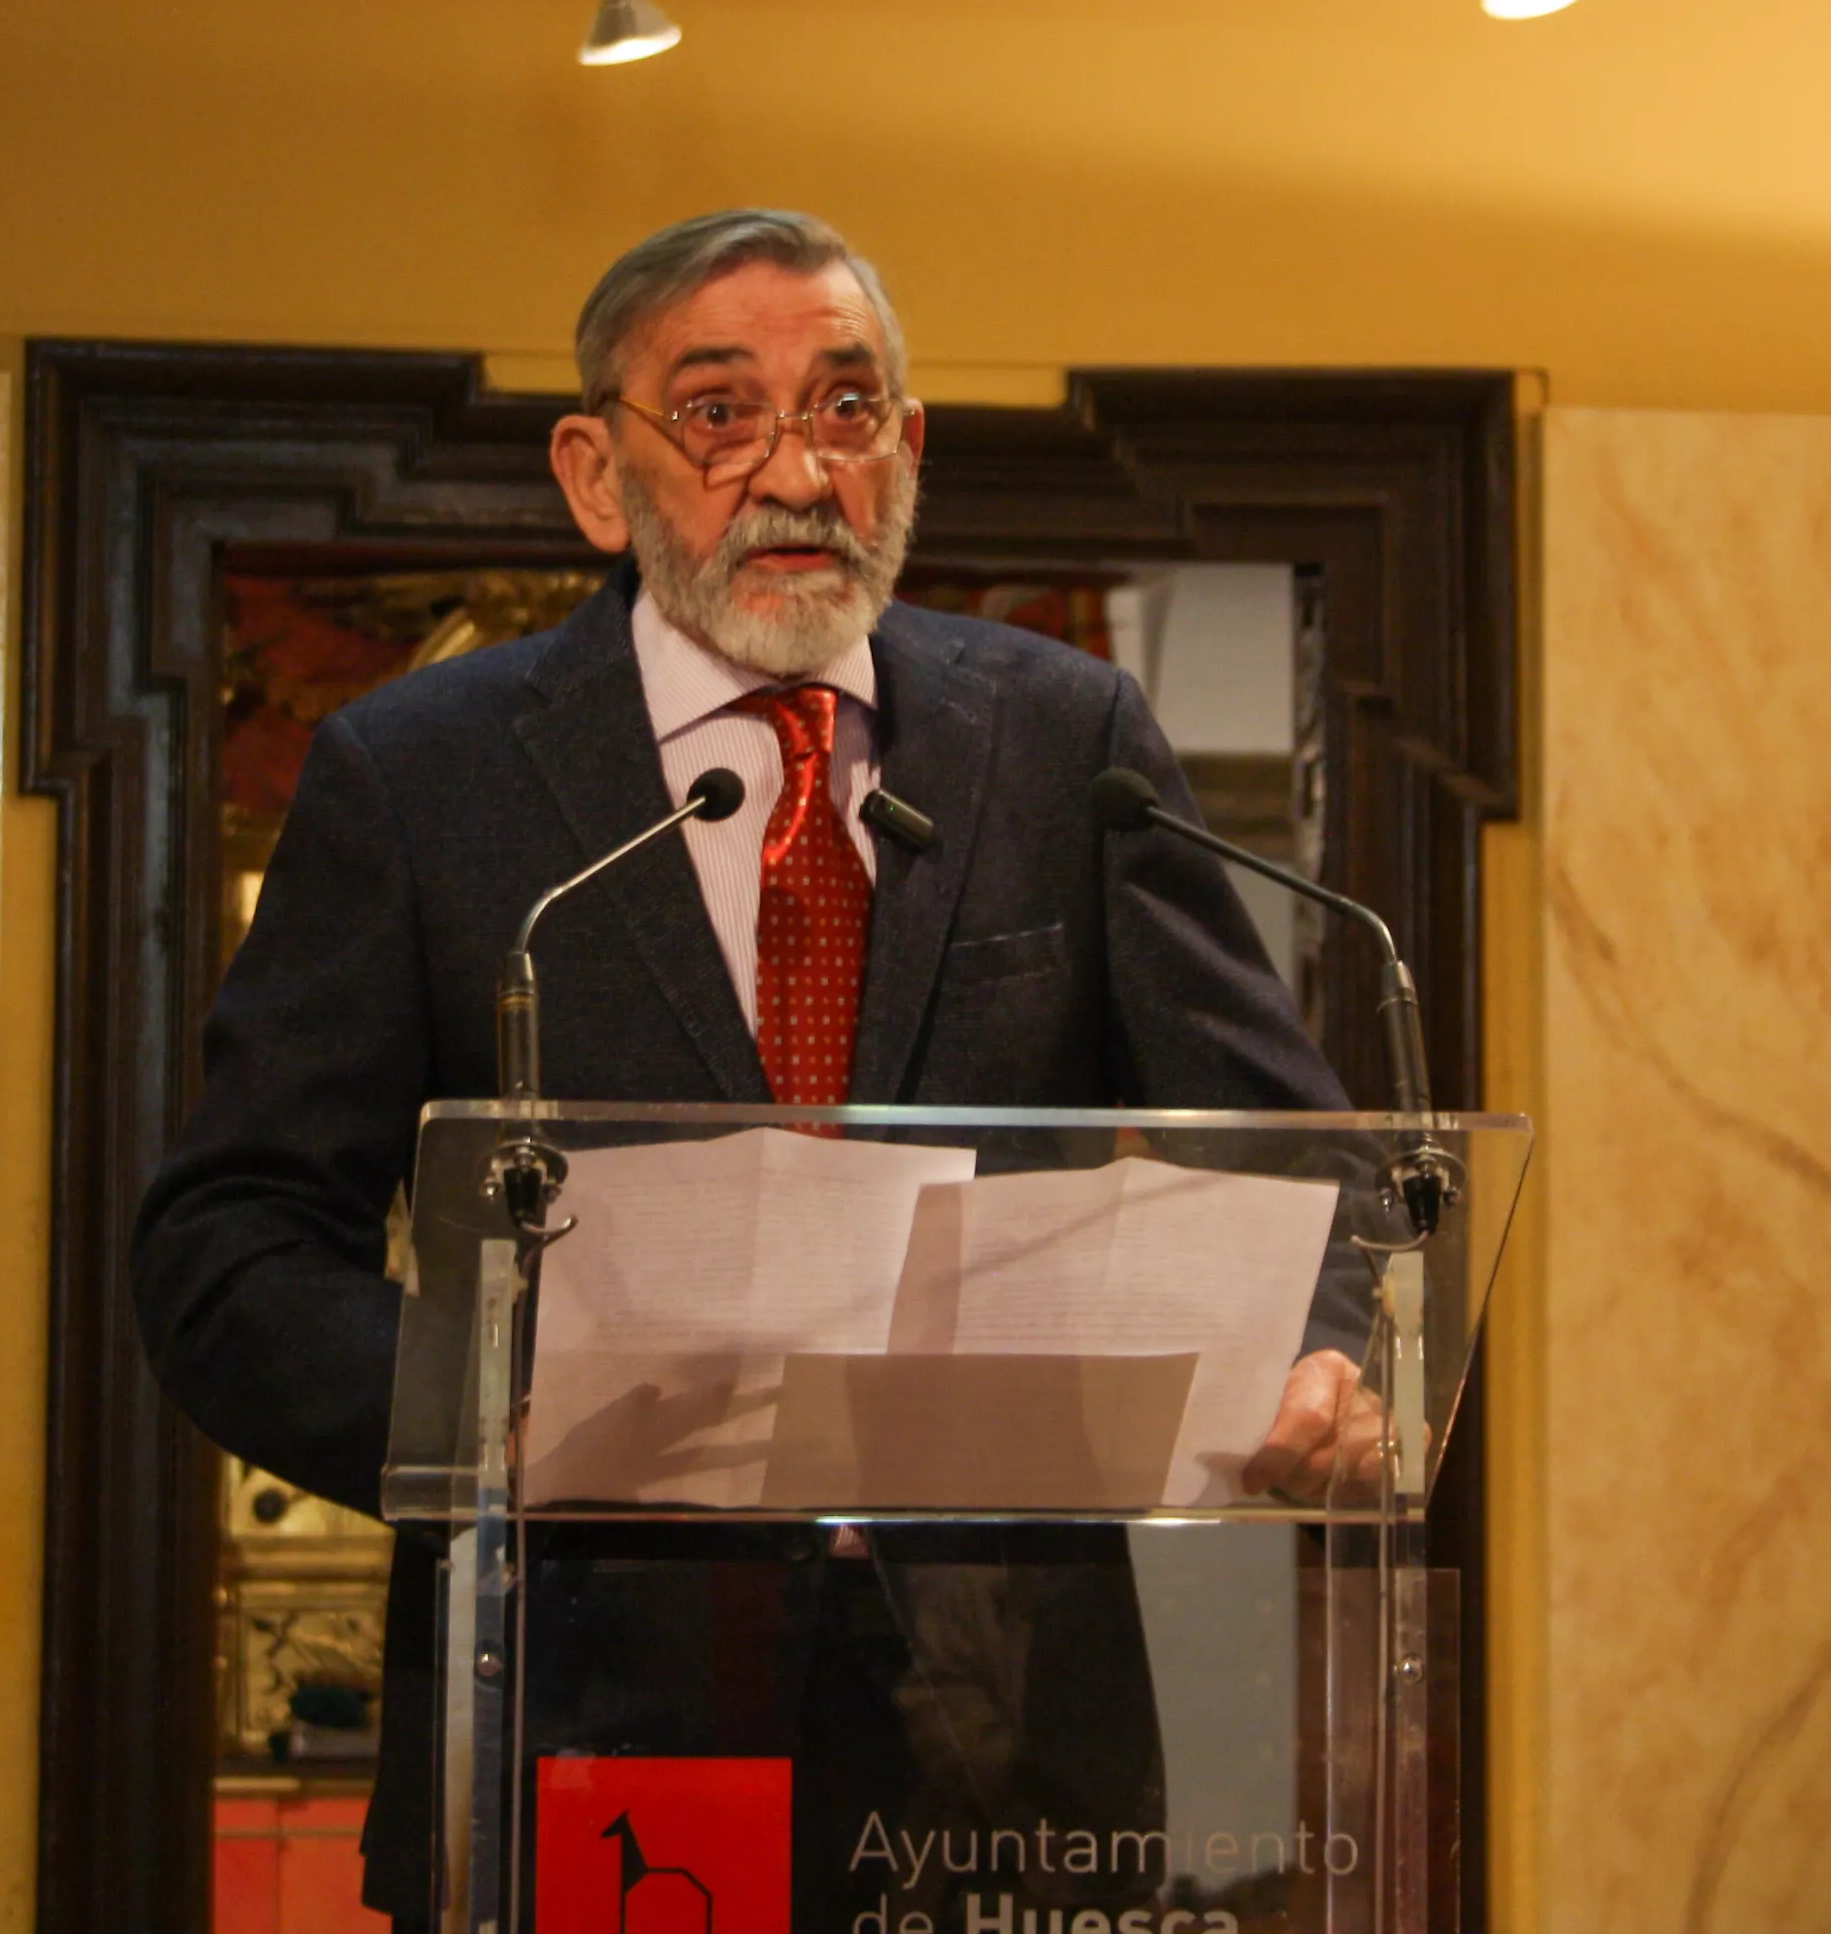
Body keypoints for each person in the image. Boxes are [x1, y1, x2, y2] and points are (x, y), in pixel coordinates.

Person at [131, 208, 1369, 1925]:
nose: (797, 468)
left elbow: (1304, 1161)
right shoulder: (425, 781)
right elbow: (231, 1246)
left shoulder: (1062, 743)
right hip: (579, 1721)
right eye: (720, 411)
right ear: (596, 471)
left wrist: (1332, 1355)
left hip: (1010, 1755)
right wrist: (499, 1419)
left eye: (848, 408)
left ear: (908, 449)